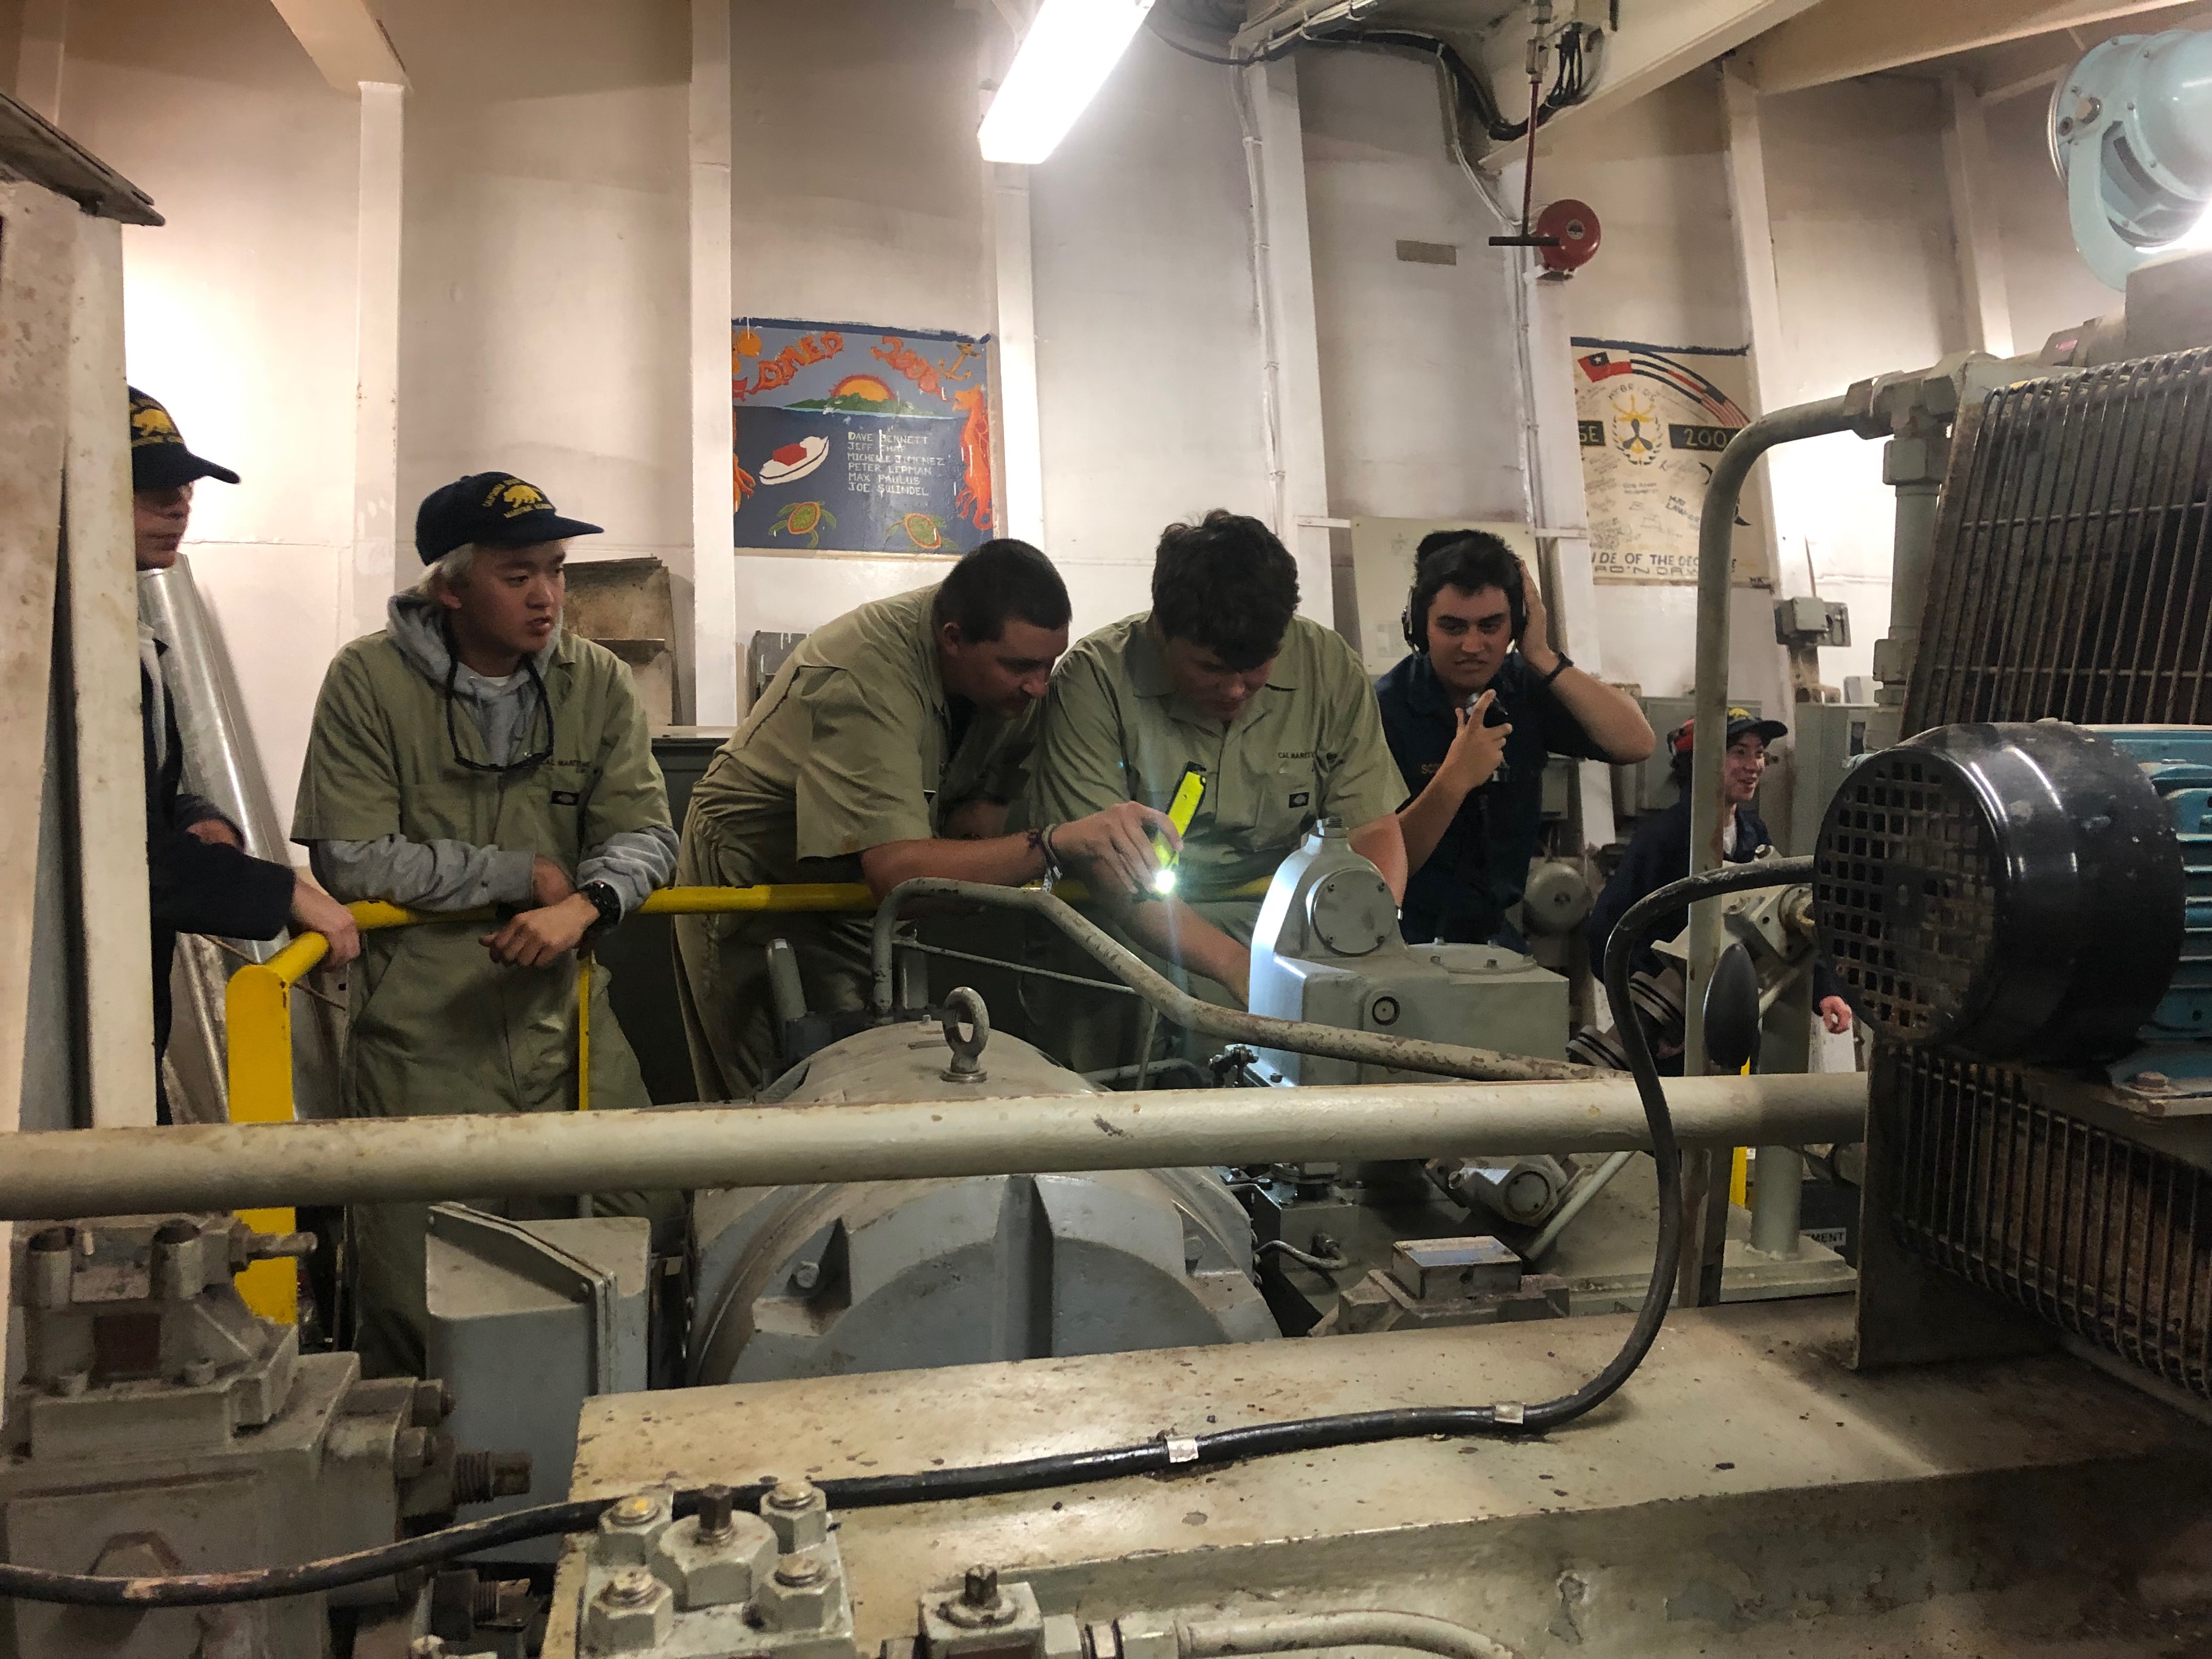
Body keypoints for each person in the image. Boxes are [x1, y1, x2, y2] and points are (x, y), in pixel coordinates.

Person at [292, 471, 676, 1376]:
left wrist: (584, 904)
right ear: (450, 587)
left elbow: (647, 831)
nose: (548, 596)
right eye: (518, 575)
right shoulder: (367, 680)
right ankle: (429, 1485)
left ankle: (620, 1436)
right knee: (415, 1284)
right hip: (425, 1033)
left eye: (557, 570)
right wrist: (517, 873)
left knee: (643, 1211)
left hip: (566, 1014)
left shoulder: (597, 682)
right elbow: (350, 855)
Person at [674, 539, 1178, 1097]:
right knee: (778, 1092)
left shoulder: (1007, 686)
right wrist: (1056, 845)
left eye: (1049, 664)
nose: (1039, 686)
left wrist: (990, 817)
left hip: (862, 889)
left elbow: (973, 821)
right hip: (758, 880)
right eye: (1020, 666)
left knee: (874, 1077)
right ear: (953, 639)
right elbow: (901, 881)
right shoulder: (863, 674)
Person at [1023, 510, 1406, 1014]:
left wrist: (1366, 932)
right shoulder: (1094, 681)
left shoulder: (1328, 667)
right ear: (1161, 629)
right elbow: (1109, 871)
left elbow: (1373, 829)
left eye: (1255, 670)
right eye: (1210, 668)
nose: (1234, 690)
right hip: (1127, 920)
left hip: (1278, 919)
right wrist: (1236, 968)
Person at [129, 388, 360, 1124]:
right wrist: (283, 892)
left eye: (184, 486)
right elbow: (102, 861)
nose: (180, 505)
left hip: (128, 1020)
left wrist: (195, 813)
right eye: (150, 487)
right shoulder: (42, 660)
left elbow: (138, 800)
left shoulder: (128, 636)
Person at [1378, 530, 1654, 947]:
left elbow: (1636, 742)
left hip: (1492, 933)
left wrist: (1541, 656)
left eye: (1491, 626)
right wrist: (1454, 780)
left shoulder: (1526, 689)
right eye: (1452, 626)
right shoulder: (1384, 709)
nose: (1473, 645)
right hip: (1399, 932)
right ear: (1419, 627)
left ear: (1516, 625)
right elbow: (1376, 869)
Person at [1585, 709, 1854, 1041]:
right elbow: (1605, 935)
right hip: (1672, 1029)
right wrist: (1652, 1012)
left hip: (1735, 1015)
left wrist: (1827, 992)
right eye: (1739, 752)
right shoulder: (1662, 841)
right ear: (1700, 762)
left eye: (1759, 754)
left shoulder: (1753, 832)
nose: (1754, 765)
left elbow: (1783, 919)